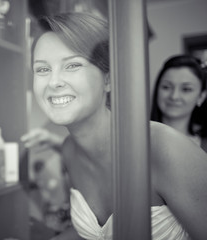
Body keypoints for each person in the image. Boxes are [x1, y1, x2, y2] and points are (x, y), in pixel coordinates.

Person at [22, 12, 207, 240]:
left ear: (108, 79)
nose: (53, 82)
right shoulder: (70, 149)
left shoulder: (165, 148)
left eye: (72, 65)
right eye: (42, 69)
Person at [151, 55, 207, 152]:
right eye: (166, 87)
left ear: (201, 97)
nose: (174, 96)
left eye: (186, 89)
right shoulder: (137, 139)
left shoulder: (204, 145)